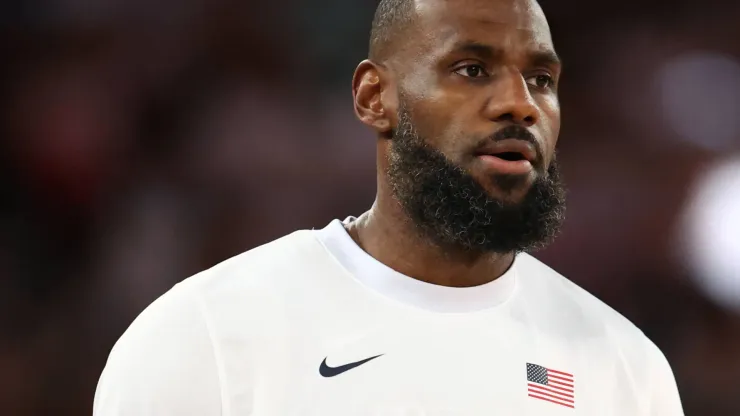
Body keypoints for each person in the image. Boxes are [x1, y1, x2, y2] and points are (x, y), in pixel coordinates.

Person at [93, 0, 685, 414]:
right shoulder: (208, 335)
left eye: (541, 79)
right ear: (375, 97)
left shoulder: (626, 368)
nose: (520, 104)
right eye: (471, 69)